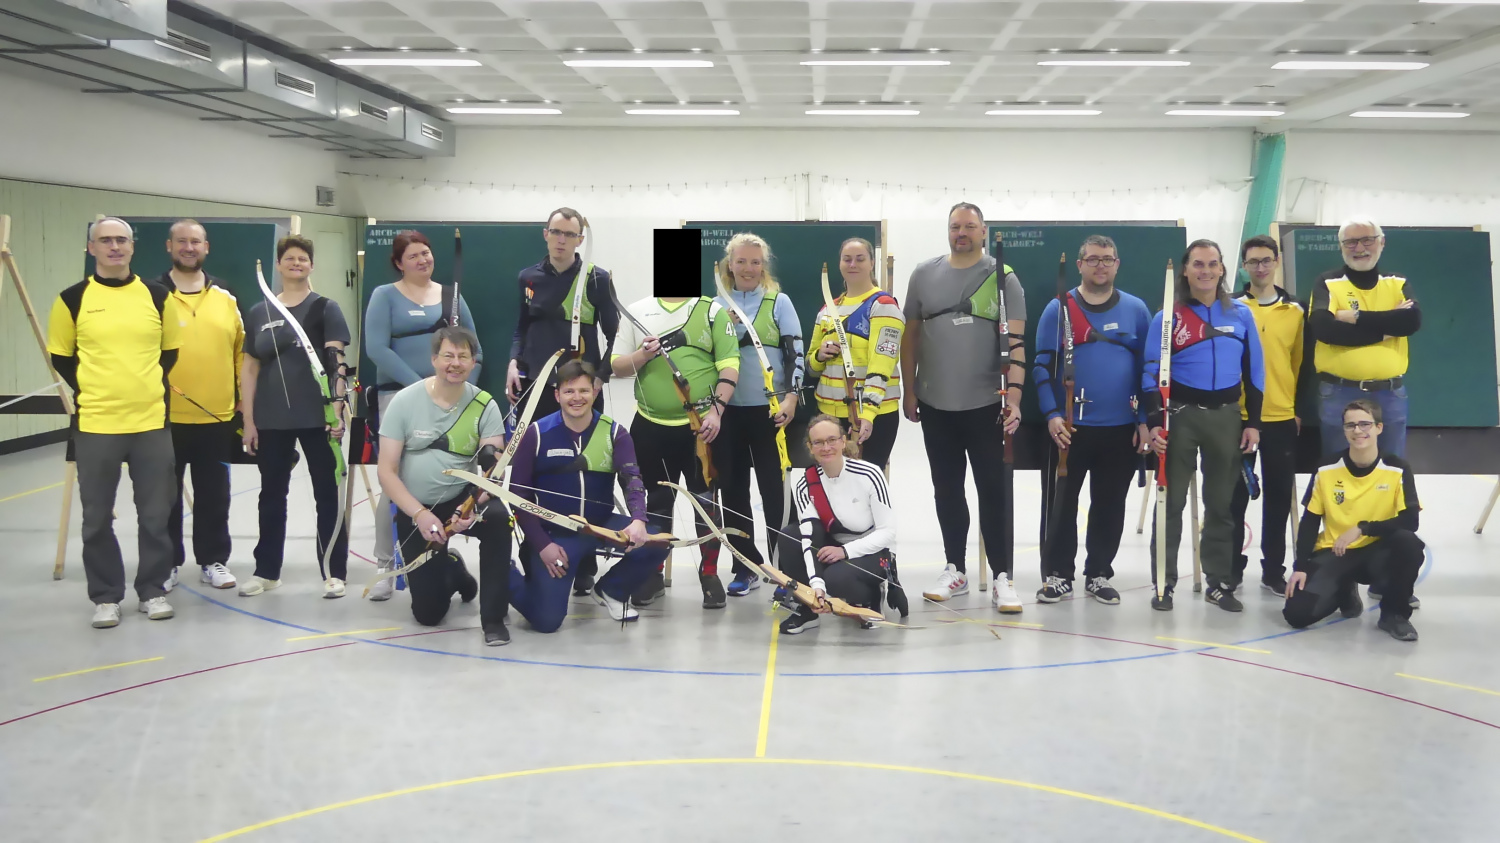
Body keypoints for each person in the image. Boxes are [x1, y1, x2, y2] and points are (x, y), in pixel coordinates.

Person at [47, 217, 182, 628]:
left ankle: (153, 590)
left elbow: (169, 352)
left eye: (121, 240)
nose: (114, 247)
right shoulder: (71, 299)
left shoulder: (159, 296)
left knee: (156, 515)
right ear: (92, 248)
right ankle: (106, 596)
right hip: (96, 424)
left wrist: (140, 386)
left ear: (132, 247)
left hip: (150, 423)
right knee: (96, 518)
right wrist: (97, 388)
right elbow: (61, 357)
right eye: (105, 240)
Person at [901, 202, 1026, 613]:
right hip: (936, 403)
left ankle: (1003, 576)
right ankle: (954, 568)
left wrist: (1014, 399)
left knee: (993, 490)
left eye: (970, 226)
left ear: (983, 231)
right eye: (956, 226)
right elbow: (910, 337)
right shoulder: (923, 274)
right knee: (947, 489)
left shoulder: (1003, 277)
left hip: (988, 405)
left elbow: (1017, 344)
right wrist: (909, 390)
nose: (962, 233)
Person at [1144, 239, 1264, 612]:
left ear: (1222, 269)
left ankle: (1219, 582)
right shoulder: (1167, 316)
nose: (1206, 271)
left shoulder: (1241, 314)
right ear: (1185, 269)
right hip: (1179, 417)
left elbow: (1255, 371)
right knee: (1170, 502)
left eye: (1213, 264)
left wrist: (1253, 423)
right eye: (1198, 264)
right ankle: (1163, 583)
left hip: (1227, 417)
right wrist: (1153, 423)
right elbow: (1150, 371)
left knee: (1221, 504)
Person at [506, 207, 620, 595]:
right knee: (534, 472)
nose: (561, 239)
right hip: (536, 389)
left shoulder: (596, 279)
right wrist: (513, 361)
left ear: (579, 240)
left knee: (583, 474)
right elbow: (521, 327)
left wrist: (599, 378)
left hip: (580, 393)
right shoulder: (528, 277)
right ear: (545, 234)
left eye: (569, 234)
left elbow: (615, 335)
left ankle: (585, 563)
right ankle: (536, 550)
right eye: (556, 232)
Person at [364, 230, 482, 601]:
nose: (422, 260)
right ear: (399, 263)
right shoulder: (384, 295)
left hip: (451, 404)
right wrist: (423, 391)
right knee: (394, 480)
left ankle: (443, 556)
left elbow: (474, 351)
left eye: (426, 253)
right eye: (413, 255)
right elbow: (376, 349)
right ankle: (386, 566)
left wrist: (460, 393)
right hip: (399, 399)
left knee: (453, 477)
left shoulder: (452, 297)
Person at [1033, 235, 1151, 606]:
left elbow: (1148, 370)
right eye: (1093, 259)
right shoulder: (1058, 308)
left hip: (1120, 430)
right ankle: (1058, 575)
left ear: (1117, 264)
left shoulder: (1136, 309)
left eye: (1107, 259)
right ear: (1080, 264)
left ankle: (1098, 574)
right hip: (1068, 430)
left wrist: (1144, 420)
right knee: (1060, 505)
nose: (1101, 266)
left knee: (1110, 505)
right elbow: (1041, 366)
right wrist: (1052, 415)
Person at [506, 360, 667, 630]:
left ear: (595, 392)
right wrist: (542, 544)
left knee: (656, 542)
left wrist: (638, 520)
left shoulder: (615, 432)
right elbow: (518, 494)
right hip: (555, 534)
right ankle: (504, 573)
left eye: (584, 390)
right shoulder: (537, 433)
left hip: (600, 525)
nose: (577, 398)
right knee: (546, 621)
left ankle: (611, 591)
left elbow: (632, 480)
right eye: (569, 391)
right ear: (557, 395)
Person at [377, 327, 511, 645]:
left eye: (463, 356)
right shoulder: (404, 401)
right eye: (448, 355)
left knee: (497, 520)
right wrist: (420, 514)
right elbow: (386, 471)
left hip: (464, 498)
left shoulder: (484, 404)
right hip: (416, 506)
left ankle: (493, 619)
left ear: (473, 362)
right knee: (428, 613)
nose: (455, 363)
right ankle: (454, 570)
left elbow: (492, 468)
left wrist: (474, 505)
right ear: (434, 359)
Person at [610, 288, 739, 608]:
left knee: (706, 503)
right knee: (656, 502)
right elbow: (618, 366)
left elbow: (729, 365)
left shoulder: (711, 311)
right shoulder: (637, 309)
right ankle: (652, 573)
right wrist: (643, 355)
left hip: (701, 428)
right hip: (650, 427)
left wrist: (716, 412)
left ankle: (710, 574)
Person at [240, 235, 352, 598]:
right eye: (289, 258)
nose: (296, 263)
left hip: (318, 417)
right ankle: (266, 571)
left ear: (311, 266)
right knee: (271, 495)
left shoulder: (326, 308)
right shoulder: (259, 312)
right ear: (278, 265)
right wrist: (249, 420)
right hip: (271, 419)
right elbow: (249, 368)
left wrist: (337, 411)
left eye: (303, 258)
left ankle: (333, 572)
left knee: (327, 495)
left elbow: (336, 363)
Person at [1284, 400, 1421, 642]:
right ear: (1345, 430)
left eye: (1365, 424)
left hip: (1377, 553)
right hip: (1336, 550)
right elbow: (1310, 520)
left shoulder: (1397, 468)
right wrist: (1300, 566)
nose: (1358, 431)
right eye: (1351, 425)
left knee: (1408, 543)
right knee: (1297, 615)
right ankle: (1343, 590)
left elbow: (1410, 521)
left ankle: (1394, 615)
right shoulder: (1326, 469)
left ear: (1379, 427)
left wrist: (1363, 528)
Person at [713, 233, 804, 597]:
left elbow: (795, 354)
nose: (748, 268)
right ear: (729, 264)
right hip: (728, 415)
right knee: (733, 492)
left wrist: (791, 398)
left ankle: (785, 572)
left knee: (775, 493)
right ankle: (745, 567)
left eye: (755, 262)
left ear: (763, 265)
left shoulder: (779, 302)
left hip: (770, 414)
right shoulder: (714, 305)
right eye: (741, 261)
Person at [158, 219, 242, 593]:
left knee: (214, 497)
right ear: (169, 246)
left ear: (206, 247)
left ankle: (213, 560)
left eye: (195, 242)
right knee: (164, 498)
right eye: (181, 241)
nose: (188, 248)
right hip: (163, 417)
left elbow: (241, 352)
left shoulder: (226, 296)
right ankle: (166, 563)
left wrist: (243, 400)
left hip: (216, 416)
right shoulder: (152, 294)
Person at [1307, 219, 1420, 459]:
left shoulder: (1397, 282)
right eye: (1351, 242)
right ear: (1341, 246)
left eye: (1367, 240)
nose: (1359, 248)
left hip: (1390, 395)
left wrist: (1355, 316)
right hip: (1339, 392)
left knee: (1391, 467)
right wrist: (1386, 330)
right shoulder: (1327, 283)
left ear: (1382, 242)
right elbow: (1324, 330)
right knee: (1337, 467)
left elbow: (1411, 322)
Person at [778, 415, 901, 634]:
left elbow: (888, 532)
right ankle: (808, 609)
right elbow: (809, 536)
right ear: (810, 447)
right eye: (818, 442)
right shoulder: (806, 482)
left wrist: (845, 551)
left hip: (874, 551)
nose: (826, 447)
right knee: (790, 536)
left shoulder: (870, 474)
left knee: (836, 578)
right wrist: (816, 586)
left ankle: (871, 596)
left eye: (832, 440)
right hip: (834, 545)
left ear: (843, 441)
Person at [1230, 235, 1303, 596]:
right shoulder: (1229, 308)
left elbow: (1300, 364)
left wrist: (1297, 410)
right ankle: (1231, 568)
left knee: (1277, 497)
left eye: (1266, 260)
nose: (1260, 267)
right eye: (1252, 262)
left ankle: (1273, 570)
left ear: (1276, 262)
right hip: (1237, 416)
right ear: (1244, 266)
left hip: (1280, 417)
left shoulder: (1296, 312)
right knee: (1233, 498)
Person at [808, 237, 905, 468]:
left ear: (872, 263)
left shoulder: (883, 305)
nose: (853, 264)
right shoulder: (828, 309)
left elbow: (881, 365)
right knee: (830, 484)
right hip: (829, 416)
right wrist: (819, 356)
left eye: (860, 259)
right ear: (840, 263)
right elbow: (810, 367)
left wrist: (867, 414)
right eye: (847, 259)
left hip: (869, 416)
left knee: (863, 484)